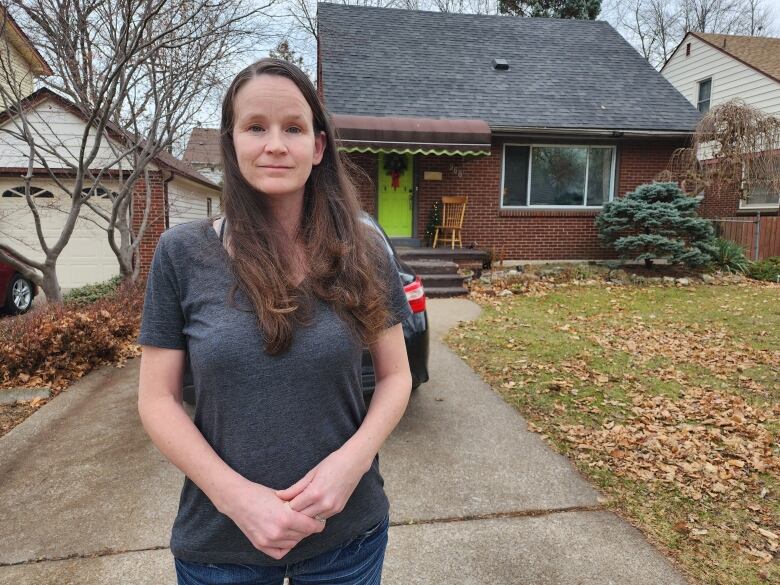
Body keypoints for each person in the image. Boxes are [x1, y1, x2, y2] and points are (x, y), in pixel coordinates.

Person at [136, 58, 413, 585]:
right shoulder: (180, 254)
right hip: (221, 547)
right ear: (232, 141)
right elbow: (157, 400)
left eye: (293, 128)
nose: (276, 145)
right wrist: (236, 499)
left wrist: (349, 466)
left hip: (345, 540)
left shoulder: (364, 249)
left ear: (319, 146)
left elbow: (396, 377)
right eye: (255, 127)